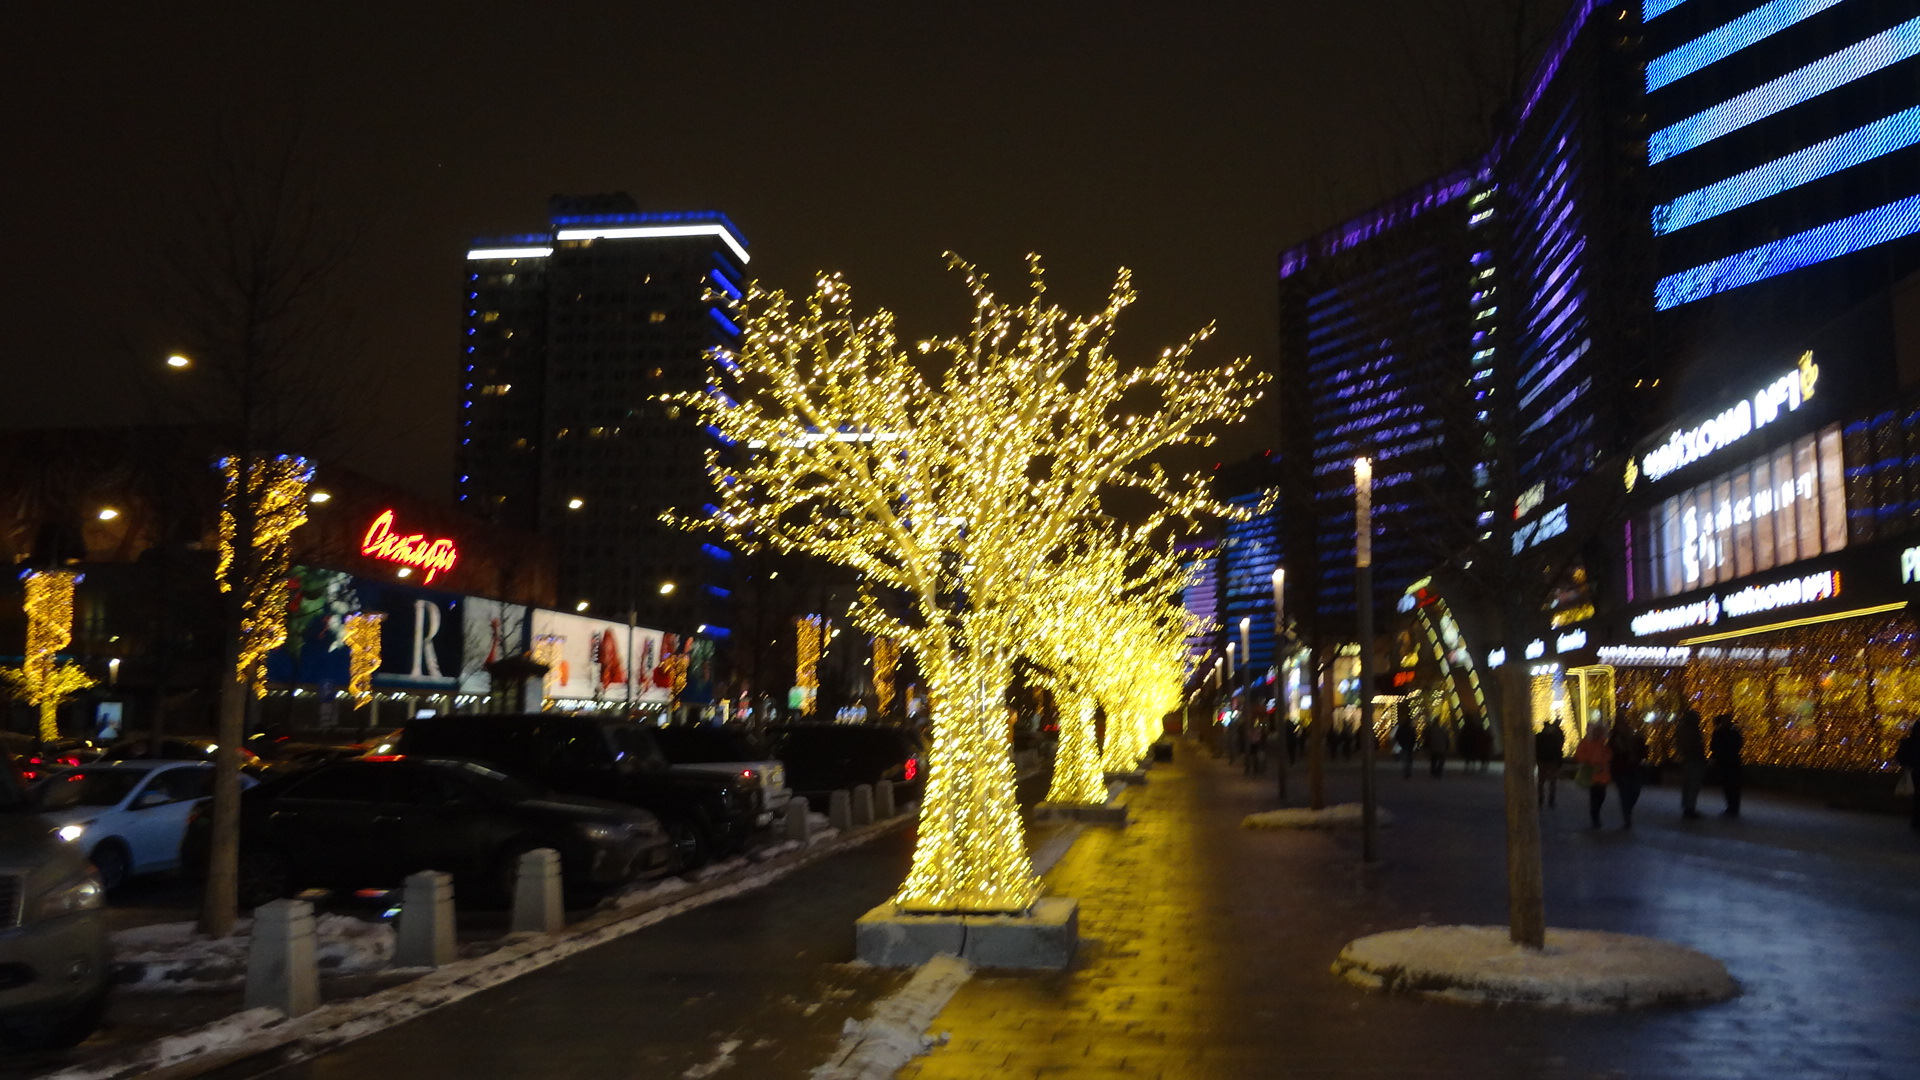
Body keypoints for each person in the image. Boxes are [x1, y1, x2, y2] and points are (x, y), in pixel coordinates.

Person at [1607, 714, 1648, 829]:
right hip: (1620, 769)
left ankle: (1628, 810)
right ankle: (1627, 817)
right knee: (1624, 794)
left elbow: (1641, 749)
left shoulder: (1632, 735)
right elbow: (1611, 752)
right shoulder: (1614, 737)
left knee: (1635, 791)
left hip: (1632, 767)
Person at [1572, 722, 1613, 828]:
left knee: (1601, 796)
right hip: (1592, 773)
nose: (1597, 733)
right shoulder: (1586, 742)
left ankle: (1596, 814)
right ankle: (1595, 816)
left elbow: (1608, 755)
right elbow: (1579, 755)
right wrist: (1589, 762)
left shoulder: (1602, 742)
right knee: (1595, 795)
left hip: (1603, 772)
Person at [1675, 708, 1707, 820]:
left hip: (1687, 759)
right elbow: (1696, 746)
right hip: (1694, 759)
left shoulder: (1681, 729)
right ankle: (1690, 807)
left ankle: (1687, 806)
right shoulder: (1692, 731)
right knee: (1693, 784)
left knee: (1688, 784)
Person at [1710, 713, 1744, 817]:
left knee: (1729, 786)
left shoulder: (1721, 732)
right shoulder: (1733, 732)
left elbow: (1714, 746)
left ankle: (1732, 807)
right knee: (1732, 786)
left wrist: (1716, 756)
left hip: (1726, 761)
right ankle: (1733, 807)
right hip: (1731, 761)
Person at [1535, 718, 1566, 808]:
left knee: (1541, 781)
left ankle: (1541, 799)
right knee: (1552, 781)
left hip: (1543, 760)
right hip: (1552, 761)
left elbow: (1536, 748)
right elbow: (1559, 749)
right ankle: (1550, 800)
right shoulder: (1555, 737)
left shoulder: (1539, 736)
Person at [1896, 723, 1920, 832]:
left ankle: (1916, 821)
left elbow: (1900, 757)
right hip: (1915, 771)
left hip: (1913, 771)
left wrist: (1908, 765)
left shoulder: (1907, 742)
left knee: (1916, 798)